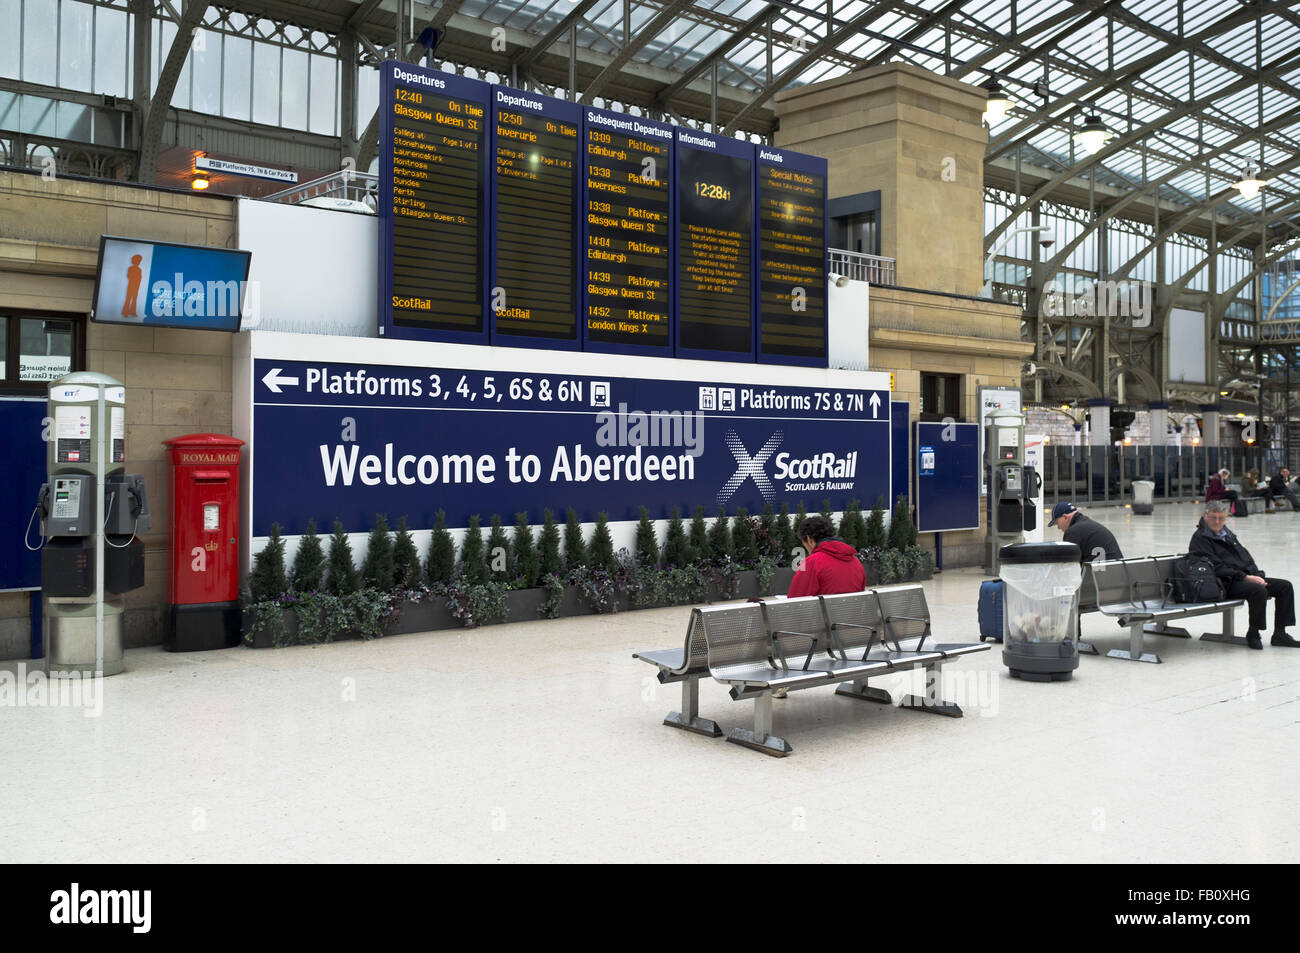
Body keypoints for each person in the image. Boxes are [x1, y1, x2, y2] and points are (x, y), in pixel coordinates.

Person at [1188, 501, 1298, 649]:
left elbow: (1244, 556)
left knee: (1285, 586)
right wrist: (1245, 577)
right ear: (1204, 516)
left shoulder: (1227, 534)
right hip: (1222, 584)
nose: (1217, 522)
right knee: (1258, 590)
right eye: (1213, 517)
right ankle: (1253, 633)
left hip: (1242, 578)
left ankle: (1280, 634)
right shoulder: (1200, 539)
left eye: (1221, 518)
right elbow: (1215, 567)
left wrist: (1257, 574)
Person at [787, 515, 866, 597]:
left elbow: (794, 601)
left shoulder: (812, 562)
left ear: (809, 539)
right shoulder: (855, 561)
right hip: (853, 609)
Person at [1050, 501, 1123, 563]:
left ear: (1065, 517)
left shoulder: (1073, 532)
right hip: (1116, 571)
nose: (1058, 527)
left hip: (1099, 575)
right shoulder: (1088, 524)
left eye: (1057, 523)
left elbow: (1068, 564)